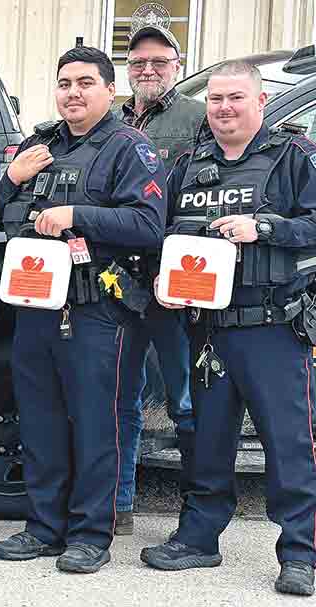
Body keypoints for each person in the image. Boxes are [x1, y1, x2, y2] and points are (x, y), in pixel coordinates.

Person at [141, 61, 316, 598]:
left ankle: (301, 553)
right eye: (215, 99)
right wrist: (161, 283)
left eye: (235, 98)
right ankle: (198, 538)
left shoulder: (291, 158)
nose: (222, 108)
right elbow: (161, 234)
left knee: (289, 446)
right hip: (206, 328)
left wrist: (262, 227)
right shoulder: (189, 166)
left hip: (272, 330)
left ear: (260, 102)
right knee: (208, 442)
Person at [0, 46, 166, 573]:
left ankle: (91, 534)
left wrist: (76, 214)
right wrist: (11, 179)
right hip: (37, 303)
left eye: (86, 83)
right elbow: (1, 212)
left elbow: (148, 224)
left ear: (110, 91)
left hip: (99, 310)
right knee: (40, 422)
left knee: (97, 425)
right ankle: (44, 528)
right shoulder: (39, 143)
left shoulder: (129, 148)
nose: (73, 92)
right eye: (65, 82)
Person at [112, 25, 205, 536]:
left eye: (159, 60)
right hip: (119, 280)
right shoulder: (112, 116)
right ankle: (120, 504)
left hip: (175, 280)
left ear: (178, 64)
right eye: (138, 60)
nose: (148, 69)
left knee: (185, 399)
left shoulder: (196, 117)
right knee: (123, 395)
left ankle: (195, 515)